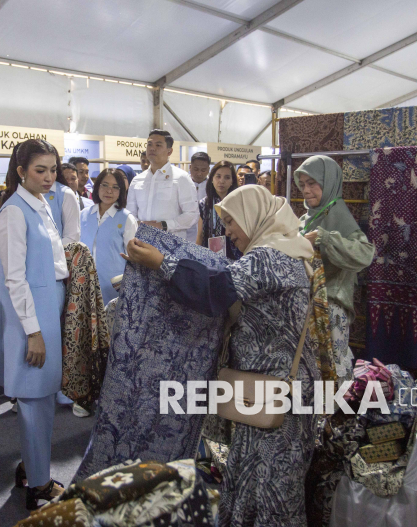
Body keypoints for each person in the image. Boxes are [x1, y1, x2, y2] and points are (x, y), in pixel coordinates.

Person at [122, 185, 318, 526]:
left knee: (272, 482)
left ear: (253, 216)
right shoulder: (285, 250)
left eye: (231, 221)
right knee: (251, 475)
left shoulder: (270, 256)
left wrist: (161, 262)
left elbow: (216, 290)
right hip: (268, 385)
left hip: (276, 389)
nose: (227, 231)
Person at [0, 139, 68, 509]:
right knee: (35, 399)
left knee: (44, 397)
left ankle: (30, 466)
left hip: (48, 306)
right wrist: (33, 332)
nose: (49, 177)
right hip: (33, 314)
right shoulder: (13, 212)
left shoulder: (42, 204)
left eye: (53, 169)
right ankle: (39, 484)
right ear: (21, 171)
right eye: (41, 170)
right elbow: (14, 279)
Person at [295, 155, 375, 383]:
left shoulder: (339, 217)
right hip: (307, 308)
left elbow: (365, 253)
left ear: (328, 182)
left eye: (312, 183)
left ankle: (335, 415)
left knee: (332, 368)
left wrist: (326, 238)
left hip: (331, 311)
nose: (306, 190)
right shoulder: (306, 218)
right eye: (302, 184)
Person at [126, 129, 198, 239]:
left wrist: (163, 225)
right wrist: (139, 225)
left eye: (158, 145)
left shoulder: (181, 178)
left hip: (171, 248)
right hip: (142, 244)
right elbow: (130, 214)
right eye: (149, 144)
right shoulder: (137, 180)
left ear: (169, 151)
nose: (152, 148)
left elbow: (192, 215)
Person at [80, 168, 138, 306]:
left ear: (121, 191)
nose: (109, 191)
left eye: (115, 187)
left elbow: (134, 258)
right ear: (97, 186)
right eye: (105, 185)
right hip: (85, 284)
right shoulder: (83, 215)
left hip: (113, 287)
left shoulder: (126, 218)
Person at [197, 160, 242, 260]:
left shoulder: (239, 204)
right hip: (209, 257)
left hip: (236, 256)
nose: (221, 181)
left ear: (232, 182)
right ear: (212, 179)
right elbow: (200, 236)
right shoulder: (204, 204)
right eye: (218, 176)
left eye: (227, 177)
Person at [45, 151, 81, 244]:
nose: (47, 175)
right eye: (40, 170)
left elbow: (72, 237)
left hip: (56, 256)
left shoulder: (64, 193)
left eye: (52, 170)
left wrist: (46, 252)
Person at [187, 152, 211, 243]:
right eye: (196, 169)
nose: (199, 173)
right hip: (185, 232)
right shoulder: (182, 184)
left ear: (208, 169)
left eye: (203, 170)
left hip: (206, 233)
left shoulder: (213, 186)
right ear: (190, 167)